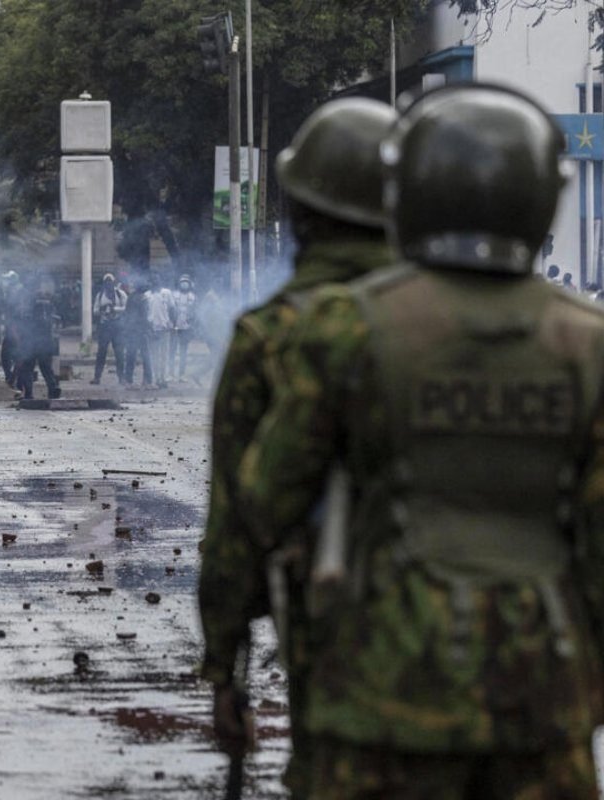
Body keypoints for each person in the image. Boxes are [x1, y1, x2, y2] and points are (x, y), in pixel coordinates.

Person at [240, 84, 603, 798]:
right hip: (542, 705)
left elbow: (266, 498)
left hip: (379, 699)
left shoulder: (345, 327)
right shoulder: (589, 347)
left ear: (408, 196)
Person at [197, 96, 396, 798]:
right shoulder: (469, 323)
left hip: (336, 635)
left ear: (301, 211)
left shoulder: (272, 334)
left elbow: (236, 521)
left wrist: (226, 671)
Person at [14, 278, 61, 400]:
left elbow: (21, 320)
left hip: (30, 341)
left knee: (27, 368)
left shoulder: (27, 302)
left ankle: (29, 393)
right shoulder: (48, 302)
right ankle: (52, 388)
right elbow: (55, 321)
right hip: (45, 341)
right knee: (46, 367)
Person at [91, 272, 126, 384]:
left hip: (117, 326)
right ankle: (97, 377)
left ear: (113, 282)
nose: (108, 284)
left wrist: (115, 309)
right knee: (101, 352)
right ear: (104, 283)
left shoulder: (120, 294)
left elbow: (127, 308)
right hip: (105, 325)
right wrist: (103, 309)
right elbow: (95, 310)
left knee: (119, 353)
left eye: (110, 282)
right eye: (106, 282)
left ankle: (121, 377)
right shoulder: (100, 295)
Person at [121, 277, 152, 388]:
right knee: (146, 357)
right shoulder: (143, 299)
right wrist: (147, 328)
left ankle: (128, 380)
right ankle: (147, 381)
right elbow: (144, 316)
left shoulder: (131, 297)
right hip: (140, 331)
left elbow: (127, 314)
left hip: (132, 331)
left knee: (131, 356)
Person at [146, 273, 175, 388]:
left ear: (160, 280)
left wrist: (172, 323)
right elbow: (145, 313)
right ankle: (156, 379)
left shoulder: (167, 293)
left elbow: (172, 308)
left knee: (164, 355)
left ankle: (163, 378)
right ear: (150, 282)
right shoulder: (147, 295)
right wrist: (148, 328)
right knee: (154, 355)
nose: (155, 281)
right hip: (152, 329)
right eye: (153, 280)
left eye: (157, 279)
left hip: (164, 328)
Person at [170, 275, 196, 381]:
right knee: (172, 350)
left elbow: (194, 311)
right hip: (174, 325)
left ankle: (182, 374)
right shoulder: (174, 295)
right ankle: (170, 373)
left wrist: (192, 323)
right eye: (182, 282)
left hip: (186, 327)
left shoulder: (192, 296)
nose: (184, 284)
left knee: (183, 351)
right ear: (179, 284)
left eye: (186, 282)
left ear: (189, 284)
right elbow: (171, 309)